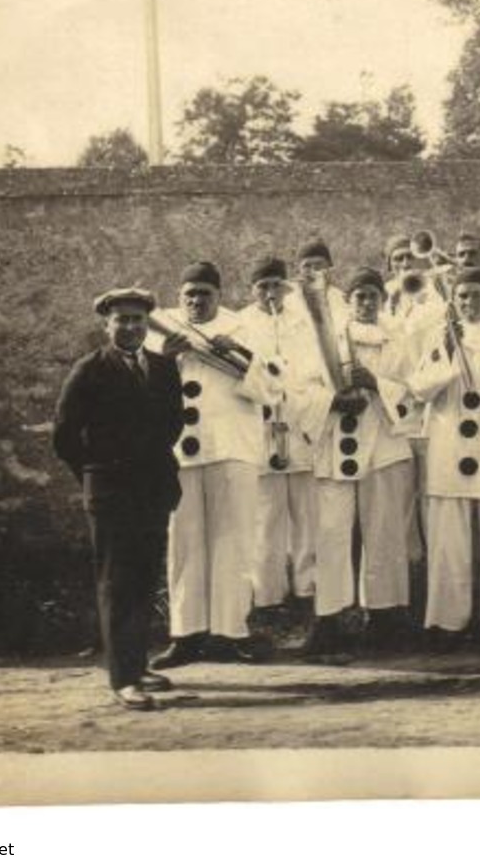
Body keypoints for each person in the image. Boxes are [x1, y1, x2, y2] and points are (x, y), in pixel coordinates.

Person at [53, 288, 184, 711]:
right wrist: (96, 475)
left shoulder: (163, 367)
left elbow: (172, 425)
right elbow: (65, 436)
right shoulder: (89, 370)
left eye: (138, 319)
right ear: (105, 324)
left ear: (148, 324)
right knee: (117, 583)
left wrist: (153, 469)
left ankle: (138, 663)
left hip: (153, 491)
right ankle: (123, 679)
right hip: (110, 494)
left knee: (145, 579)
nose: (130, 326)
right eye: (121, 319)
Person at [149, 261, 271, 670]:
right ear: (180, 296)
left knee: (233, 541)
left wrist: (236, 355)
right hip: (180, 451)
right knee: (184, 543)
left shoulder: (246, 329)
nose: (197, 301)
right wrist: (165, 360)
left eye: (205, 294)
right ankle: (186, 634)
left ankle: (231, 632)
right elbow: (142, 385)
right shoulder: (159, 328)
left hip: (233, 448)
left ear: (219, 296)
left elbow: (274, 389)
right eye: (190, 294)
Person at [302, 266, 420, 659]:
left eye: (373, 296)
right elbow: (303, 390)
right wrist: (335, 401)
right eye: (359, 297)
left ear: (382, 301)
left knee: (384, 533)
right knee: (332, 534)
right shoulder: (327, 341)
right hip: (335, 447)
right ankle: (330, 621)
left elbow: (414, 390)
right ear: (348, 302)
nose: (367, 303)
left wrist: (376, 385)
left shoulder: (398, 341)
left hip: (384, 448)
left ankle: (386, 620)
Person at [406, 269, 480, 646]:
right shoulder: (439, 339)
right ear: (453, 301)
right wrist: (446, 352)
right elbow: (420, 390)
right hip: (448, 450)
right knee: (448, 543)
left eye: (475, 295)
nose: (468, 303)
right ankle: (448, 624)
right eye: (461, 297)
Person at [242, 256, 324, 618]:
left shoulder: (301, 324)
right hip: (262, 433)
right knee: (266, 522)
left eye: (277, 285)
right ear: (252, 290)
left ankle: (308, 591)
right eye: (263, 287)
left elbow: (315, 371)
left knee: (307, 519)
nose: (271, 293)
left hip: (300, 428)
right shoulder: (241, 324)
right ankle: (268, 599)